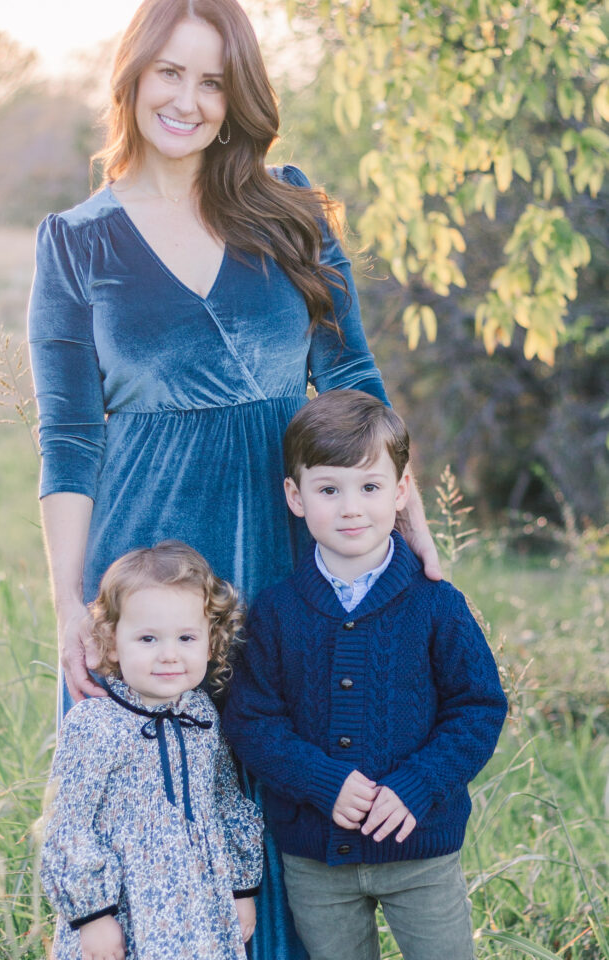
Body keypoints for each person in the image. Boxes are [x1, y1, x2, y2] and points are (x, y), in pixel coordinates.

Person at [28, 0, 440, 959]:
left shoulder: (290, 210)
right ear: (130, 77)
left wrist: (415, 534)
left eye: (212, 82)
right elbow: (68, 436)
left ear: (236, 95)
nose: (187, 100)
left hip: (288, 528)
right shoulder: (76, 242)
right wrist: (67, 606)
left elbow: (350, 380)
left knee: (290, 780)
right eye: (168, 72)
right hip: (154, 552)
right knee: (152, 795)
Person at [223, 390, 508, 960]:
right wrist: (322, 782)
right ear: (295, 497)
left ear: (401, 492)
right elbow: (252, 720)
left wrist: (418, 785)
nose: (351, 507)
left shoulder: (436, 605)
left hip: (420, 851)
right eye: (329, 489)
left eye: (370, 487)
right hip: (317, 861)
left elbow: (478, 709)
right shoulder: (277, 611)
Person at [40, 540, 263, 960]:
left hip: (200, 907)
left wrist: (241, 887)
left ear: (211, 642)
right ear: (109, 643)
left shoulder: (202, 714)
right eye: (147, 638)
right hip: (124, 911)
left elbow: (224, 799)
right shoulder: (95, 725)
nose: (168, 655)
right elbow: (67, 825)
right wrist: (93, 915)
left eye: (185, 637)